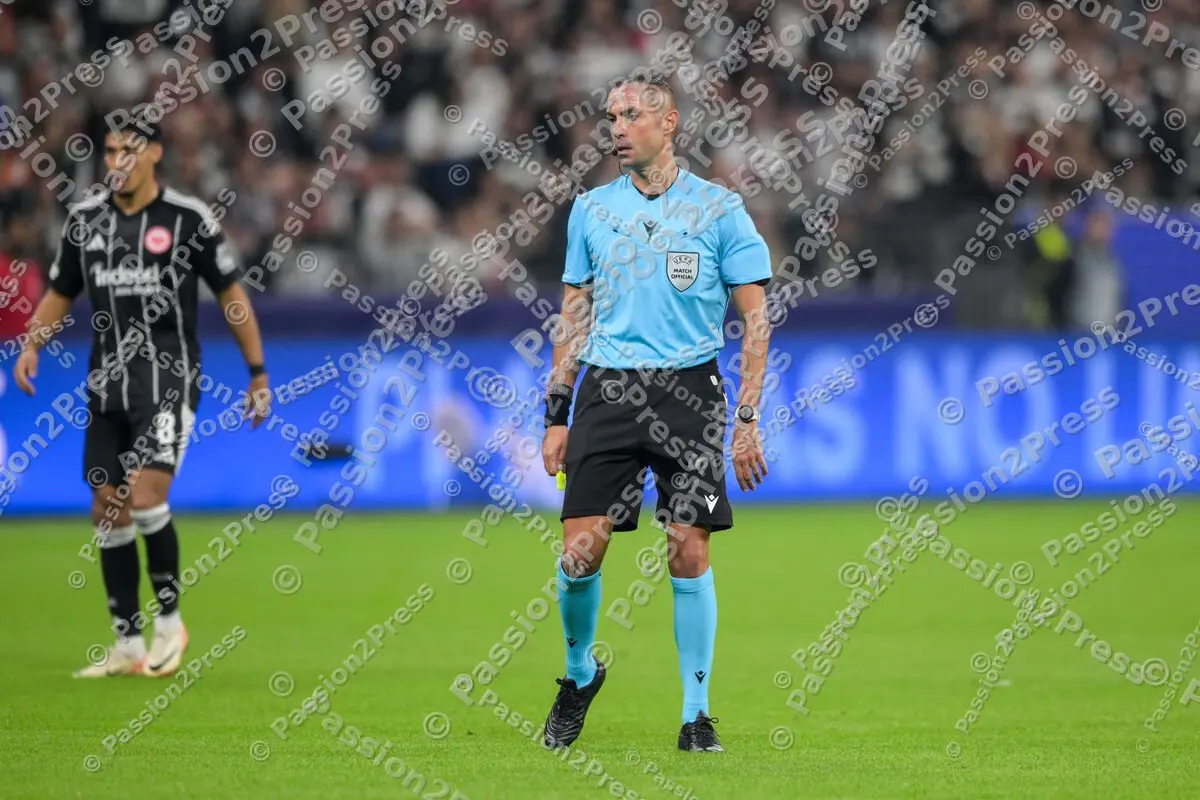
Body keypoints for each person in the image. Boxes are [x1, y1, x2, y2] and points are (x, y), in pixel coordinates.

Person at [540, 73, 772, 753]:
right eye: (611, 115)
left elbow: (756, 321)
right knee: (580, 553)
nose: (616, 126)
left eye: (631, 115)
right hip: (608, 389)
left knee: (687, 548)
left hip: (690, 392)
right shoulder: (590, 210)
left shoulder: (721, 210)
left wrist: (749, 416)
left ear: (668, 123)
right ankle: (580, 675)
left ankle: (696, 715)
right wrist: (556, 410)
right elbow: (573, 315)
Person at [14, 113, 271, 678]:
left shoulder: (187, 220)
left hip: (168, 380)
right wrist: (32, 346)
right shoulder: (85, 221)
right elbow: (60, 291)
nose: (117, 163)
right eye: (109, 153)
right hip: (107, 383)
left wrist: (257, 372)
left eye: (129, 151)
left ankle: (170, 625)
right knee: (107, 508)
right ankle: (128, 643)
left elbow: (232, 296)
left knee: (148, 494)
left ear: (155, 154)